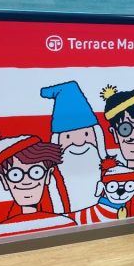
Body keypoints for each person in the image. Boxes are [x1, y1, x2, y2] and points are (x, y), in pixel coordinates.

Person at [0, 132, 76, 239]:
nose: (26, 181)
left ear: (47, 175)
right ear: (4, 180)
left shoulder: (65, 224)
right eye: (15, 175)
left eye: (36, 172)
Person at [41, 81, 108, 214]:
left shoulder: (110, 169)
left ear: (97, 136)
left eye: (86, 134)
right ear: (57, 141)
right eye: (68, 137)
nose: (79, 143)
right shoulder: (50, 178)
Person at [70, 158, 134, 224]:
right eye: (112, 186)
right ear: (101, 186)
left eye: (130, 186)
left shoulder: (123, 208)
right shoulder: (100, 211)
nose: (120, 192)